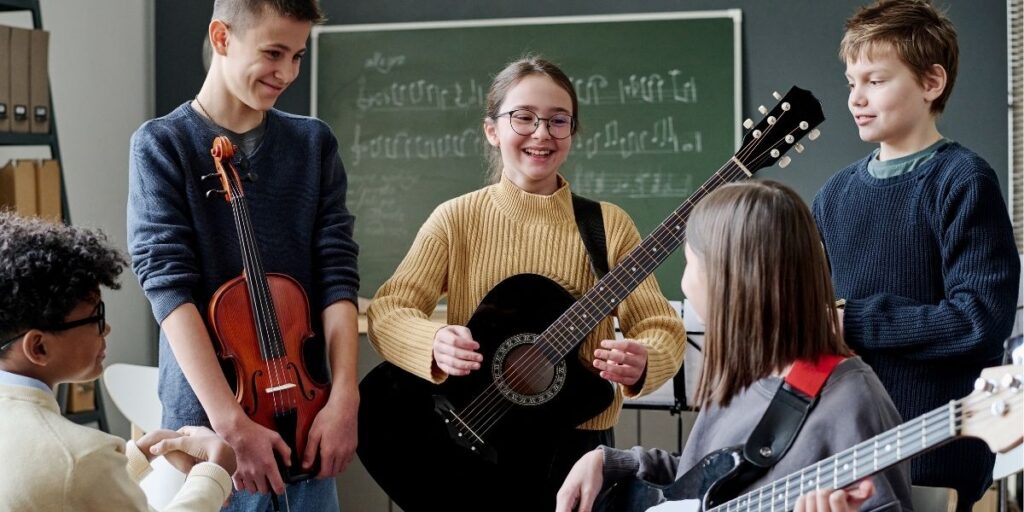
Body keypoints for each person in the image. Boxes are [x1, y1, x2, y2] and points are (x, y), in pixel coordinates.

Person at [364, 56, 686, 510]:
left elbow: (659, 323)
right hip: (467, 441)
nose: (542, 134)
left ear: (572, 133)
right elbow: (389, 308)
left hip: (576, 453)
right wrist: (433, 341)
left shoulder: (608, 225)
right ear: (492, 130)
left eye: (559, 121)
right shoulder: (456, 219)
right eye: (524, 118)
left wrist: (645, 358)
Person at [127, 0, 361, 510]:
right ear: (221, 37)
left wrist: (345, 396)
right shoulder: (162, 145)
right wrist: (232, 426)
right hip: (213, 437)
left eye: (298, 56)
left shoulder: (312, 144)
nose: (287, 73)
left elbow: (337, 274)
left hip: (308, 414)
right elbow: (168, 290)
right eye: (274, 53)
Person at [556, 181, 913, 512]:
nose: (683, 283)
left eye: (690, 264)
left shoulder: (851, 402)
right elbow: (703, 480)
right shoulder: (744, 374)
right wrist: (611, 462)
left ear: (729, 280)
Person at [812, 1, 1020, 508]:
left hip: (933, 450)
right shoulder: (833, 195)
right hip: (842, 447)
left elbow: (979, 321)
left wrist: (855, 322)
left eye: (876, 81)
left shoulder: (964, 181)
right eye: (850, 82)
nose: (857, 98)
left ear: (931, 82)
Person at [0, 212, 237, 511]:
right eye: (96, 317)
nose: (107, 328)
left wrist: (134, 457)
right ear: (39, 347)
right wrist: (214, 473)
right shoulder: (81, 457)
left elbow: (60, 490)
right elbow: (73, 470)